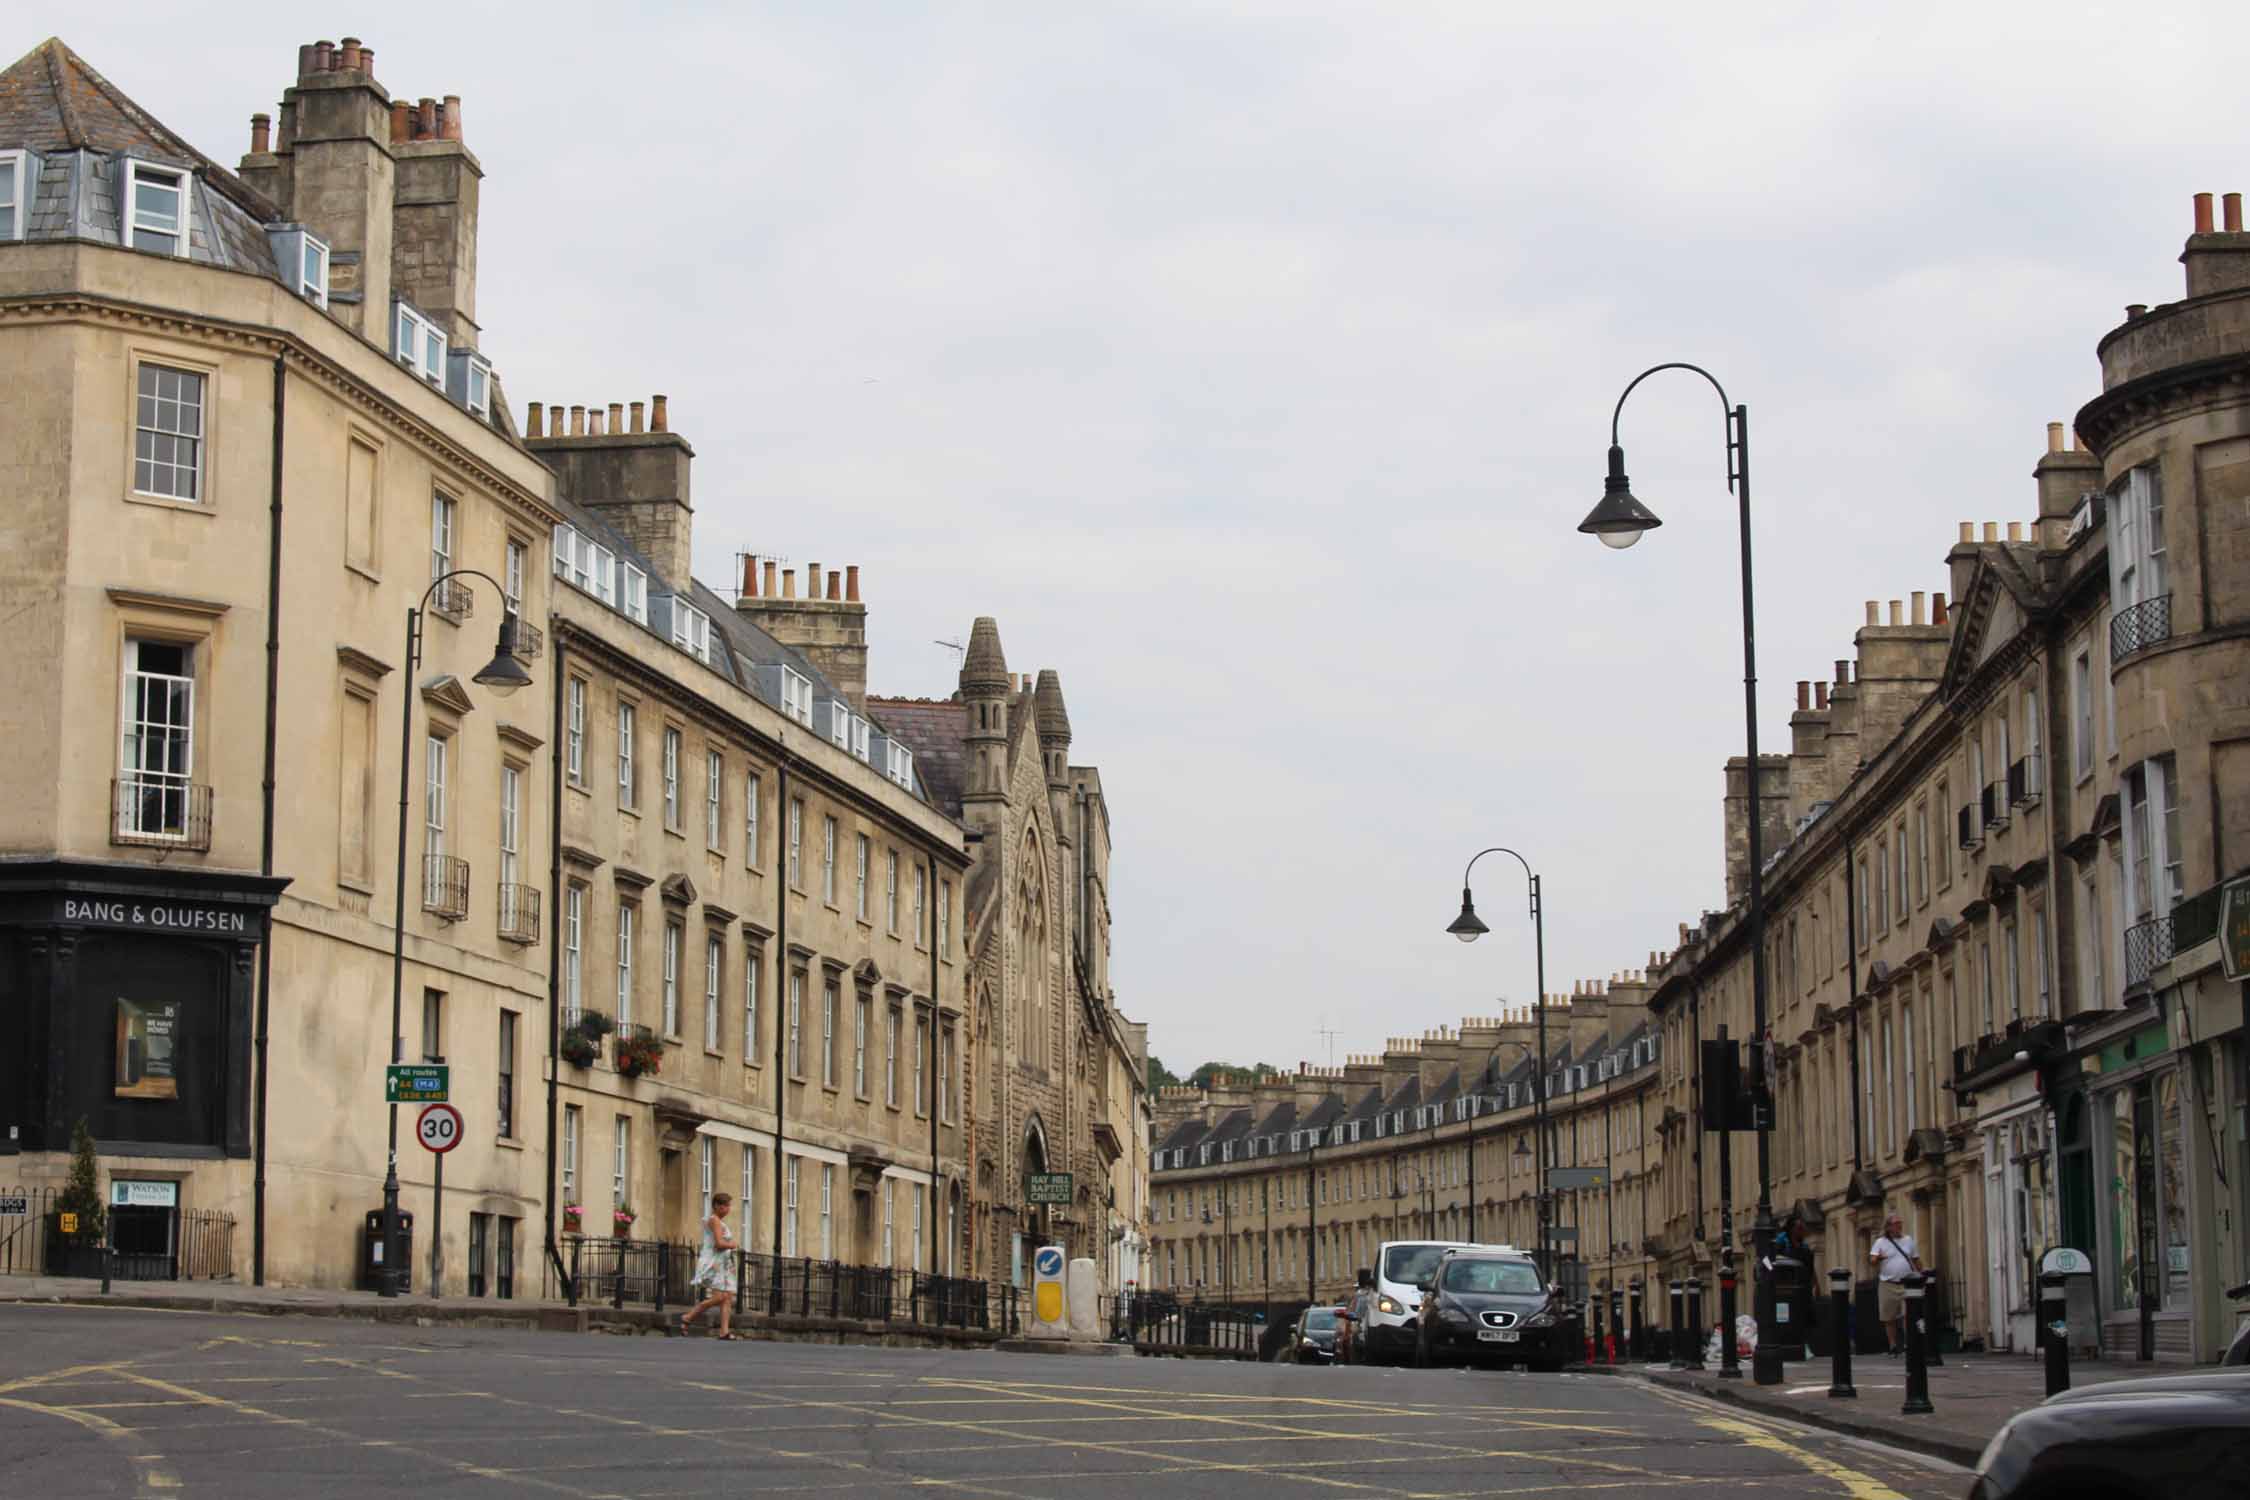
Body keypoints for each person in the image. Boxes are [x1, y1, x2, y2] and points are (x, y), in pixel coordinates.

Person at [682, 1192, 739, 1340]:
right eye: (725, 1206)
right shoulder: (714, 1220)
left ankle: (724, 1331)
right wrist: (732, 1245)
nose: (728, 1209)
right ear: (716, 1206)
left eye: (728, 1206)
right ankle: (689, 1316)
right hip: (716, 1263)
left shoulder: (720, 1222)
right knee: (719, 1296)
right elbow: (719, 1244)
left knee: (728, 1297)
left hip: (724, 1263)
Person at [1869, 1213, 1922, 1356]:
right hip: (1888, 1283)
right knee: (1889, 1317)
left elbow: (1916, 1260)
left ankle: (1907, 1344)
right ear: (1889, 1227)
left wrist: (1922, 1275)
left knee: (1907, 1315)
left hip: (1907, 1284)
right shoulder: (1881, 1242)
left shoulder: (1908, 1240)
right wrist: (1879, 1258)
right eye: (1896, 1223)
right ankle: (1892, 1345)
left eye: (1900, 1223)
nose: (1899, 1226)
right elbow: (1872, 1260)